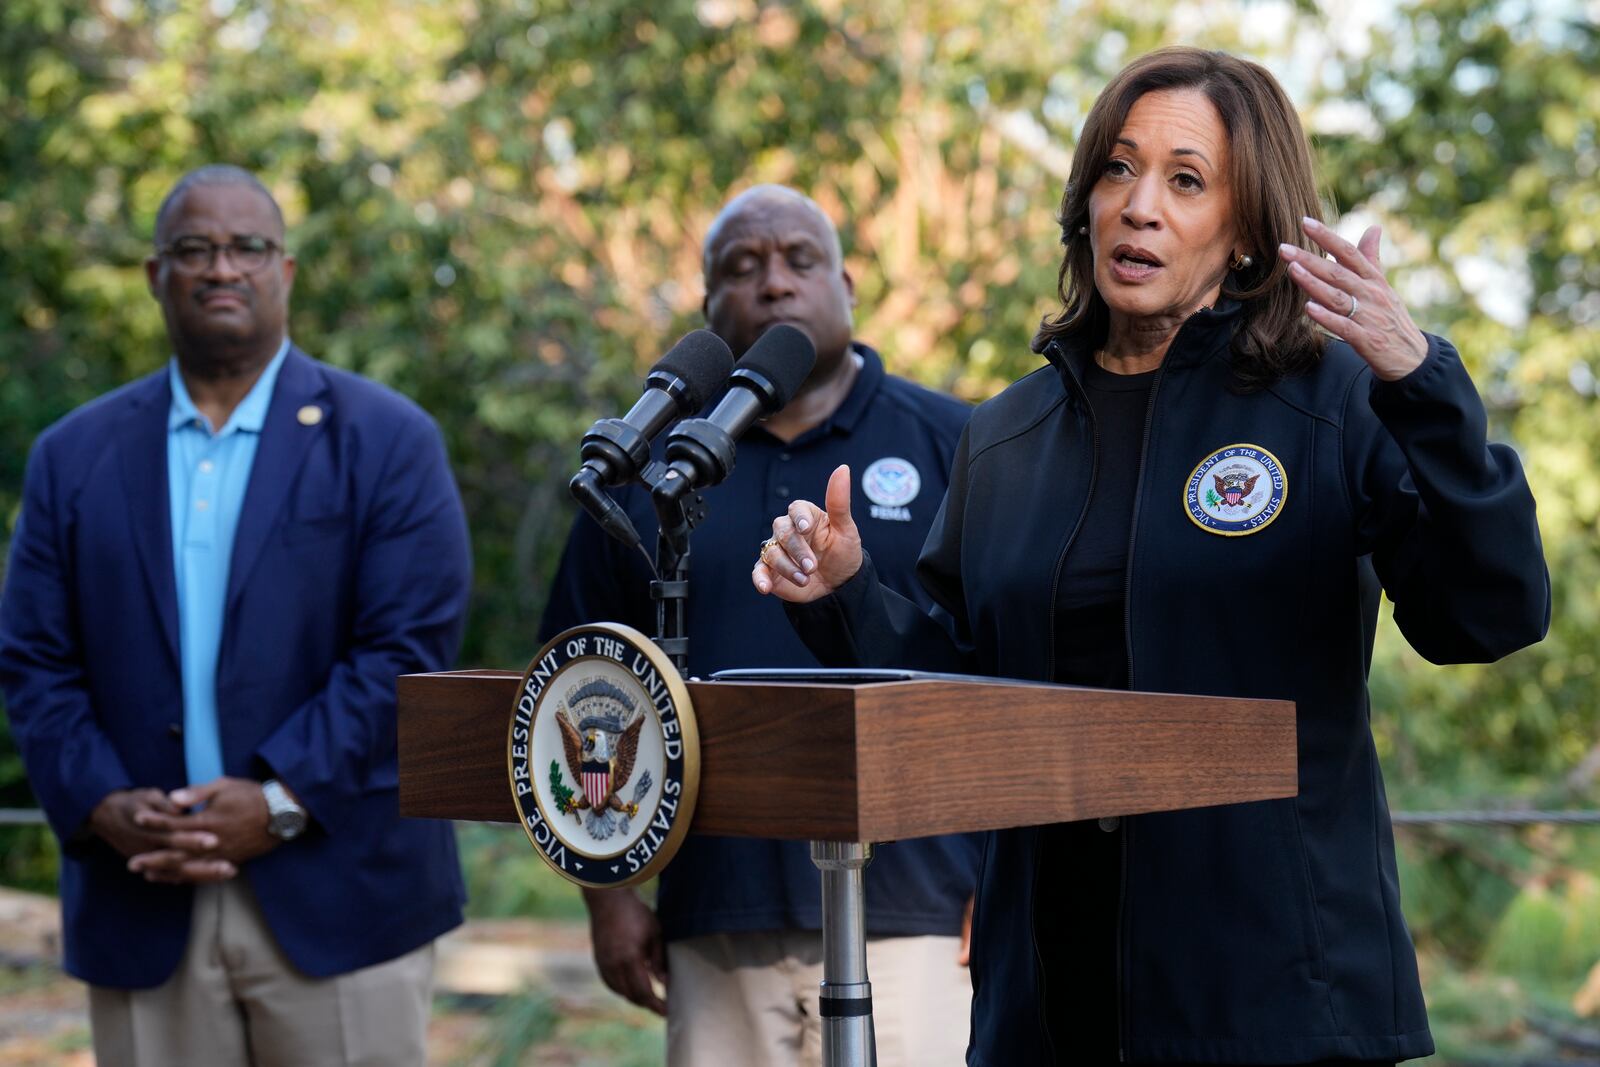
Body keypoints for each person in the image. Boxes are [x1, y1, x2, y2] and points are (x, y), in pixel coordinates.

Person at [753, 48, 1550, 1067]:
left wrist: (1421, 382)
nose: (1137, 206)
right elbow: (959, 685)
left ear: (1249, 230)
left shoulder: (1331, 400)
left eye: (1185, 180)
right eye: (1117, 169)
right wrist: (844, 593)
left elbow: (1486, 615)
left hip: (1271, 998)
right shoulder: (1003, 433)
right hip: (1047, 1002)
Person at [0, 165, 472, 1066]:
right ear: (154, 275)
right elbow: (34, 662)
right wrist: (101, 800)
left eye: (246, 247)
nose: (223, 267)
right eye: (194, 249)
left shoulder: (387, 440)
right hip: (143, 892)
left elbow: (404, 655)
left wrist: (280, 800)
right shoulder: (72, 457)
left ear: (284, 270)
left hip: (342, 897)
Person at [540, 184, 981, 1066]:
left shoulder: (958, 440)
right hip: (718, 913)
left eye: (799, 260)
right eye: (742, 267)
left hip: (924, 912)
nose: (773, 283)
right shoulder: (649, 468)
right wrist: (608, 891)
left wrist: (1011, 878)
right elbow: (576, 677)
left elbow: (1010, 668)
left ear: (848, 285)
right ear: (708, 308)